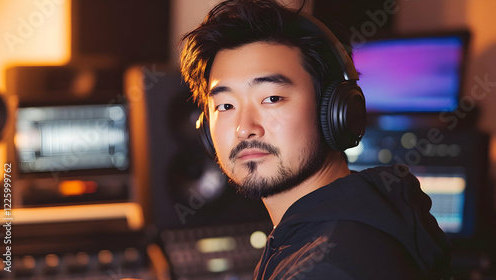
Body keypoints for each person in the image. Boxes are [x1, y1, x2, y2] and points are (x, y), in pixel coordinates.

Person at [179, 0, 452, 279]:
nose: (244, 128)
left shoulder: (329, 265)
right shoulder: (335, 229)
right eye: (225, 106)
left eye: (271, 98)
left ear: (336, 111)